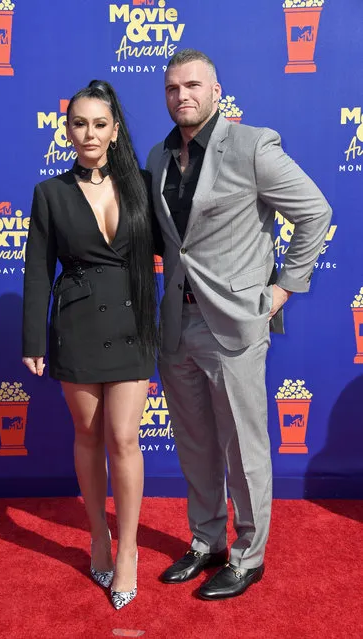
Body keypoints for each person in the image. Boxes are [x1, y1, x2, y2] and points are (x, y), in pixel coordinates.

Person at [146, 49, 332, 600]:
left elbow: (315, 211)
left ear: (216, 90)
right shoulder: (157, 157)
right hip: (176, 324)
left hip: (233, 325)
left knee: (244, 448)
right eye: (173, 87)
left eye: (194, 85)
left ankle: (250, 557)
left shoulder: (252, 146)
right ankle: (208, 541)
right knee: (195, 443)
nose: (184, 95)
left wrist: (280, 291)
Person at [22, 80, 159, 610]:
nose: (89, 133)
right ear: (67, 129)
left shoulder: (143, 185)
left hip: (132, 323)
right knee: (88, 433)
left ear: (115, 130)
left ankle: (127, 551)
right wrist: (34, 336)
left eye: (100, 123)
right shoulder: (50, 193)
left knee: (124, 437)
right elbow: (37, 272)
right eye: (79, 123)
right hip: (77, 326)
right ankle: (98, 538)